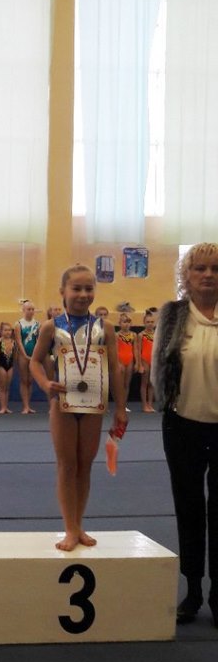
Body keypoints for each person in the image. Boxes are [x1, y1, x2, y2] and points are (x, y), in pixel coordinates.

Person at [30, 264, 126, 551]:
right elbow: (35, 361)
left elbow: (114, 368)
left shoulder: (105, 328)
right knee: (67, 464)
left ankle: (78, 523)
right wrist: (45, 383)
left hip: (94, 402)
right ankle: (69, 528)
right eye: (77, 288)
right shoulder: (51, 327)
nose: (83, 294)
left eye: (89, 288)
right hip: (63, 403)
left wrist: (121, 408)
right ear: (63, 291)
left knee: (85, 465)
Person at [151, 243, 218, 625]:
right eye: (200, 268)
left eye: (215, 269)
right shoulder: (173, 315)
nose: (208, 275)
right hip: (182, 426)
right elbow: (159, 369)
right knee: (189, 510)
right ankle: (192, 591)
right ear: (186, 275)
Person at [14, 300, 40, 414]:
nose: (31, 311)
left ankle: (29, 405)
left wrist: (36, 355)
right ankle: (25, 406)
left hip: (34, 355)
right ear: (23, 310)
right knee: (24, 380)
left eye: (32, 309)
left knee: (30, 380)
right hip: (23, 355)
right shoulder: (18, 324)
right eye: (28, 309)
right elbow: (19, 341)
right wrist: (24, 355)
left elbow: (39, 340)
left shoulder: (37, 324)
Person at [136, 307, 157, 413]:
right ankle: (144, 405)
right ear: (144, 323)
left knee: (151, 383)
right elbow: (138, 350)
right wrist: (139, 364)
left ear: (155, 323)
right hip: (145, 360)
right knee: (144, 383)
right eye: (148, 322)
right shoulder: (141, 335)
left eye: (152, 322)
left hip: (154, 360)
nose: (150, 324)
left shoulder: (157, 334)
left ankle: (150, 404)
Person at [116, 311, 136, 410]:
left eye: (128, 322)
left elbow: (135, 350)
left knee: (126, 384)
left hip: (130, 361)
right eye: (124, 322)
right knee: (120, 385)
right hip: (120, 360)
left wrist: (137, 363)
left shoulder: (133, 335)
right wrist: (118, 363)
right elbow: (115, 350)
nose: (127, 324)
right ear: (119, 323)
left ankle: (124, 405)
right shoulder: (116, 335)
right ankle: (119, 404)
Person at [0, 321, 16, 415]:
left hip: (10, 365)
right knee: (2, 387)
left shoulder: (14, 342)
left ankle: (6, 407)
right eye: (5, 330)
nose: (8, 332)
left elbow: (15, 355)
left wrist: (14, 364)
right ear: (1, 331)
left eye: (9, 330)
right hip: (1, 365)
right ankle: (2, 407)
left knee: (7, 387)